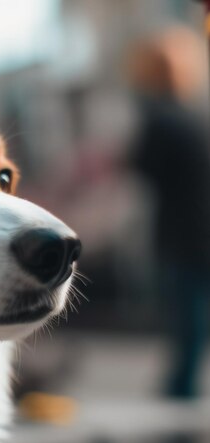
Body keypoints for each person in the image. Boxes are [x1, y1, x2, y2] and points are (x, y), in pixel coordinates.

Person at [127, 26, 210, 398]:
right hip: (200, 226)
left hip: (183, 232)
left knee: (187, 312)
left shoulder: (159, 120)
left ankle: (183, 385)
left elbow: (140, 167)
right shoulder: (197, 118)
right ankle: (184, 382)